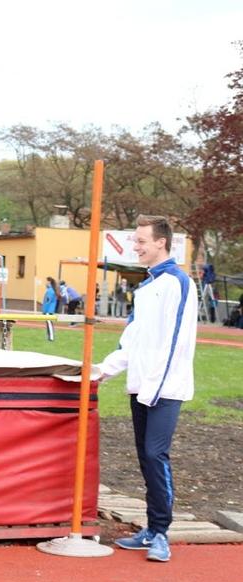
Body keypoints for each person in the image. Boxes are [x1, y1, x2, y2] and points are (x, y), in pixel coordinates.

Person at [99, 215, 197, 563]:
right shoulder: (146, 287)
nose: (136, 246)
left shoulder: (177, 282)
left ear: (162, 243)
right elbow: (133, 341)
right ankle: (151, 530)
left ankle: (161, 533)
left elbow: (174, 343)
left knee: (156, 455)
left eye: (142, 241)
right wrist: (102, 372)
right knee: (145, 457)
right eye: (135, 241)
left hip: (165, 389)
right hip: (141, 388)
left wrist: (154, 390)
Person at [41, 276, 60, 341]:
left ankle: (51, 337)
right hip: (50, 310)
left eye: (46, 282)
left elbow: (47, 301)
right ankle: (50, 336)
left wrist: (44, 310)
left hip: (48, 310)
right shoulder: (52, 290)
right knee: (49, 323)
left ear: (49, 282)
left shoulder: (50, 291)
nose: (45, 283)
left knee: (49, 324)